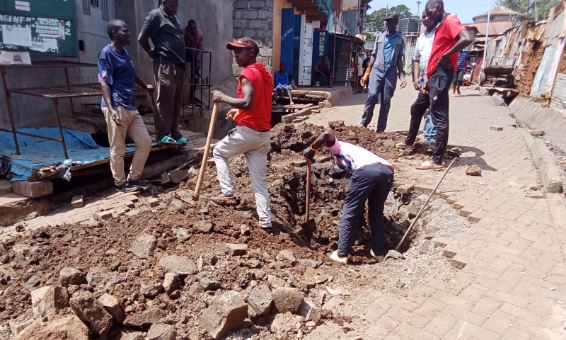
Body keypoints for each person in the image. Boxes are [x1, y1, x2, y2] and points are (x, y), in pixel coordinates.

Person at [211, 38, 274, 230]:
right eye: (234, 52)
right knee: (259, 182)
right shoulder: (265, 74)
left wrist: (223, 98)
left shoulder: (247, 73)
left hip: (247, 132)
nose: (236, 55)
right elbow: (258, 103)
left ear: (252, 52)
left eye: (240, 51)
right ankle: (266, 220)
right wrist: (239, 112)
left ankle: (227, 193)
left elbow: (247, 101)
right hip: (263, 134)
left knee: (219, 152)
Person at [303, 132, 394, 264]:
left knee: (350, 211)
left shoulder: (338, 148)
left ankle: (341, 254)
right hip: (387, 171)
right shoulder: (359, 152)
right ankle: (379, 252)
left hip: (366, 171)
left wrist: (312, 149)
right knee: (376, 213)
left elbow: (326, 135)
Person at [415, 0, 475, 170]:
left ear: (438, 9)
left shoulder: (450, 21)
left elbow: (467, 37)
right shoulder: (441, 25)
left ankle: (437, 159)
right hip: (436, 74)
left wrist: (445, 55)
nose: (427, 16)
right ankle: (435, 155)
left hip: (442, 72)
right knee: (425, 109)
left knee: (439, 115)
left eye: (429, 12)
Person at [98, 19, 152, 192]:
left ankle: (134, 178)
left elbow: (132, 73)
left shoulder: (125, 52)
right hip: (116, 105)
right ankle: (120, 183)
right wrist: (112, 109)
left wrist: (144, 86)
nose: (129, 34)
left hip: (130, 105)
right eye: (125, 31)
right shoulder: (106, 53)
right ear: (114, 33)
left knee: (145, 142)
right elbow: (104, 82)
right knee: (118, 147)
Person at [138, 0, 188, 145]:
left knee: (177, 100)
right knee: (165, 99)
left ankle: (175, 132)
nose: (176, 9)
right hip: (165, 63)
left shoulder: (173, 18)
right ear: (163, 2)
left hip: (178, 65)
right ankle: (162, 135)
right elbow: (142, 38)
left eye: (177, 6)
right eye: (173, 6)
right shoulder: (155, 16)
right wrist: (150, 51)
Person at [397, 10, 438, 151]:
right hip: (424, 81)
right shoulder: (421, 38)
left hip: (437, 79)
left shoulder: (439, 35)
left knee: (433, 110)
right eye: (423, 17)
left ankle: (431, 140)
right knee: (417, 108)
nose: (425, 19)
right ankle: (410, 141)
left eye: (428, 16)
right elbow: (416, 59)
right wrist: (415, 79)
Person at [360, 12, 407, 132]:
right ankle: (364, 123)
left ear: (396, 22)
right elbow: (373, 56)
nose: (388, 23)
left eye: (391, 21)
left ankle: (380, 129)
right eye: (387, 21)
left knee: (386, 100)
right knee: (373, 95)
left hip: (391, 72)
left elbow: (400, 60)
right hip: (377, 69)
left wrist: (402, 77)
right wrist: (366, 74)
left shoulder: (400, 39)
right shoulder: (379, 36)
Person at [184, 19, 204, 107]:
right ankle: (183, 99)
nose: (194, 31)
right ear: (188, 29)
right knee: (182, 78)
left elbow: (200, 49)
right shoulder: (182, 32)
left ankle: (191, 97)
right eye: (192, 30)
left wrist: (198, 63)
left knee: (195, 77)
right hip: (184, 55)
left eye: (195, 29)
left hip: (194, 56)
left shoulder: (199, 34)